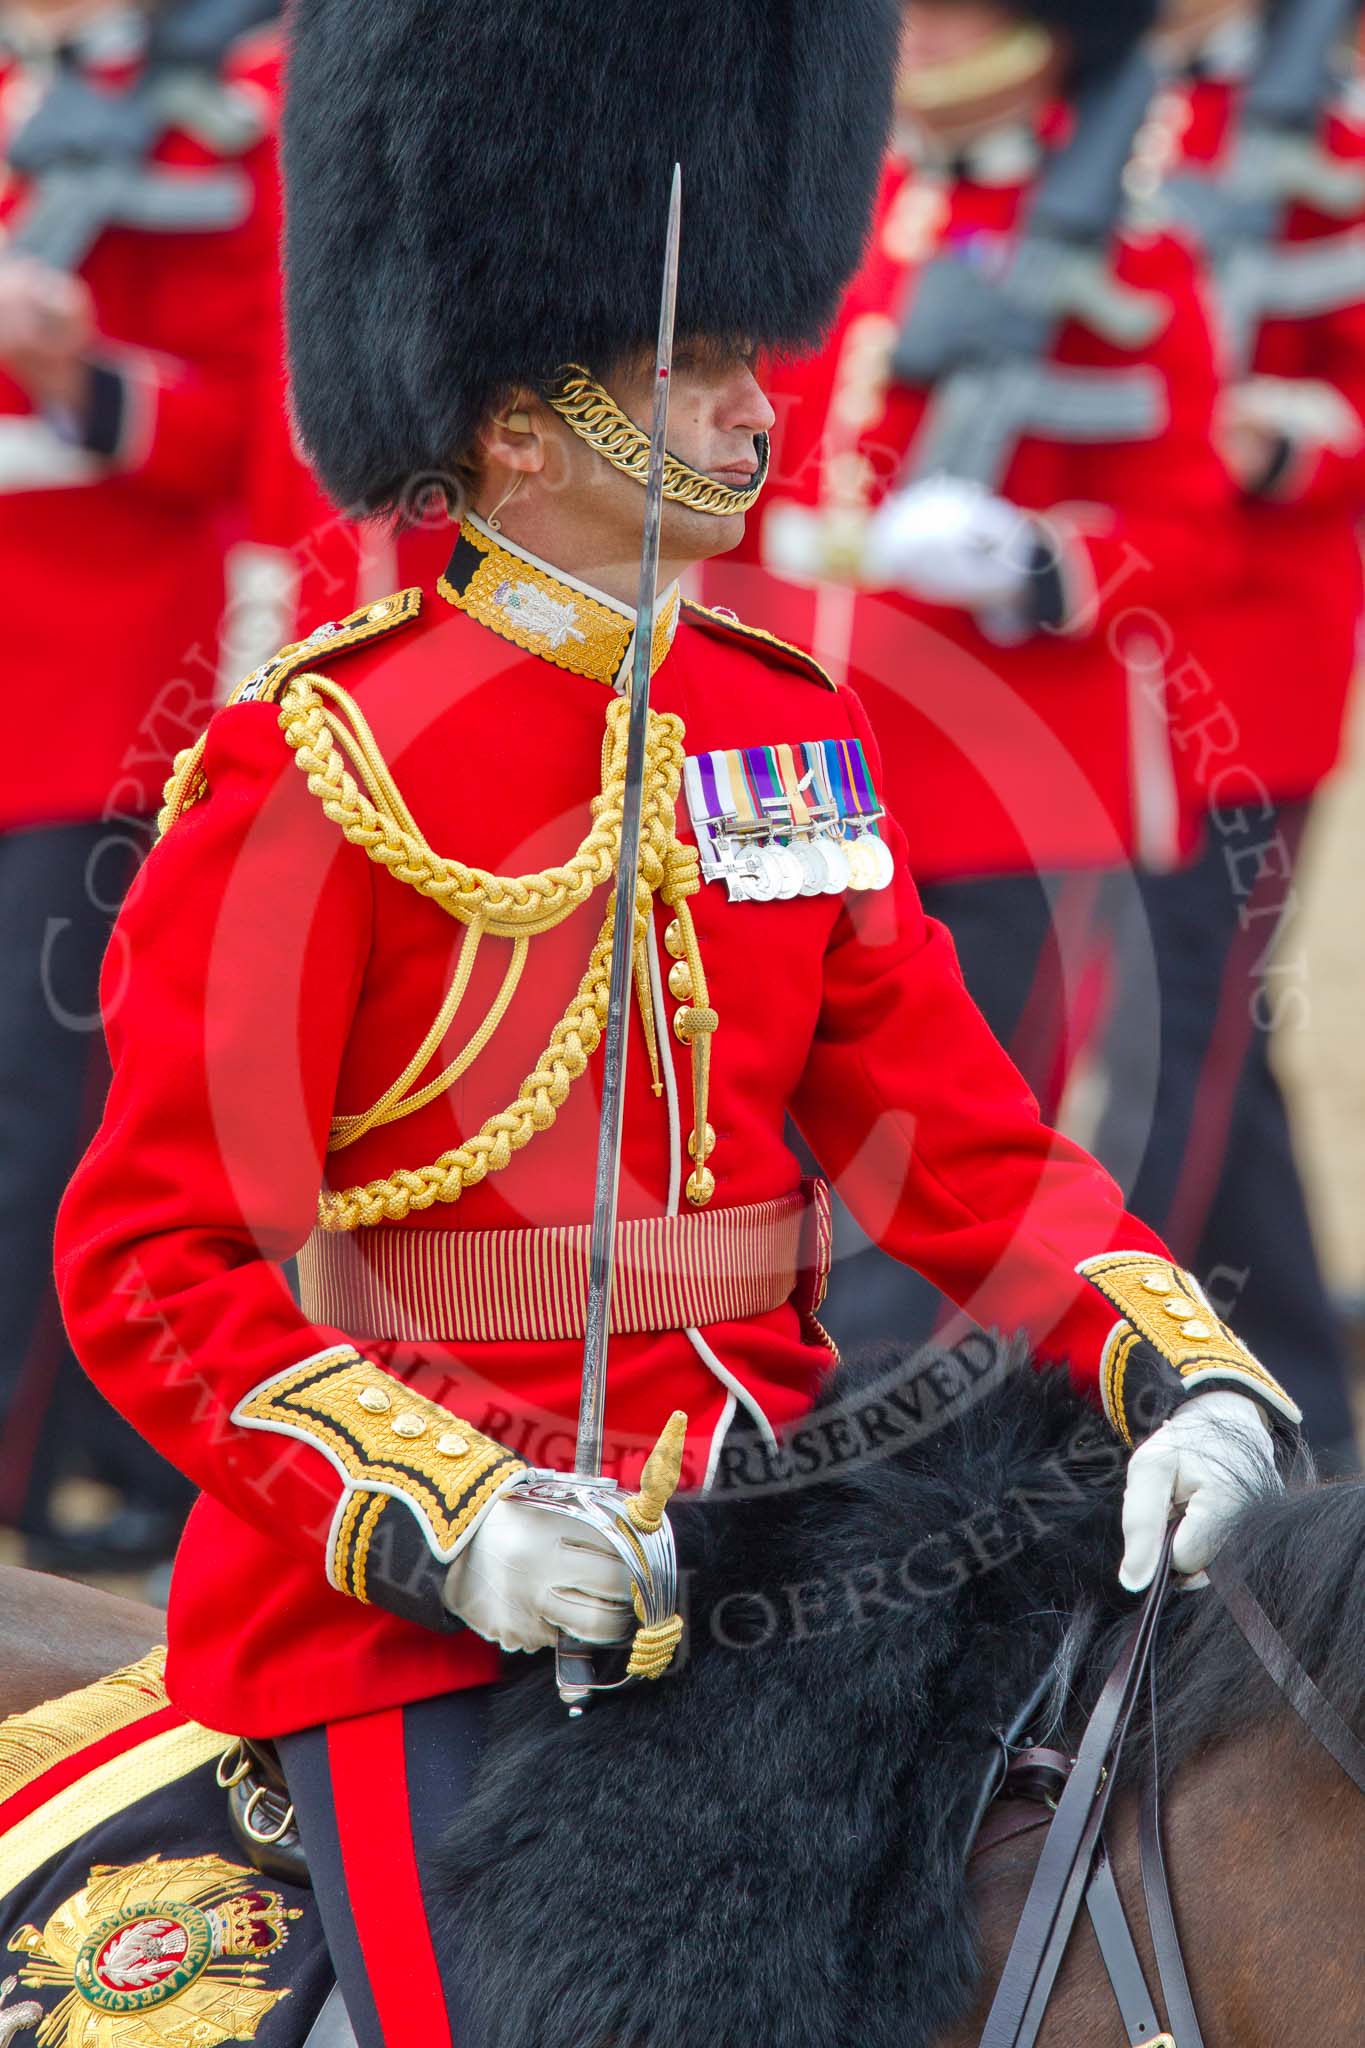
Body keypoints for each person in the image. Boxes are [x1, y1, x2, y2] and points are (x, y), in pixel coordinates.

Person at [55, 1, 1301, 2039]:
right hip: (407, 1607)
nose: (753, 415)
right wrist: (443, 1519)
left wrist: (1174, 1364)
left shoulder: (775, 730)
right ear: (518, 422)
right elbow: (150, 1262)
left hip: (756, 1541)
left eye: (741, 362)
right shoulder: (323, 767)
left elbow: (954, 1137)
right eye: (692, 368)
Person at [703, 0, 1239, 1351]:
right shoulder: (834, 232)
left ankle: (910, 1498)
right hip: (793, 770)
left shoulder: (1123, 253)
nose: (926, 41)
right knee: (769, 1135)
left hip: (998, 788)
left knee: (950, 1163)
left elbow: (1186, 522)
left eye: (962, 19)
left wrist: (1036, 560)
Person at [0, 0, 287, 1566]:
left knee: (42, 1101)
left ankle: (45, 1463)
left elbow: (258, 422)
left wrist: (79, 370)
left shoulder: (223, 106)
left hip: (109, 678)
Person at [1095, 0, 1365, 1471]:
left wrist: (1288, 434)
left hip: (1242, 668)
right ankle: (1296, 1410)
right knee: (1208, 1043)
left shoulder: (1319, 136)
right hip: (1093, 647)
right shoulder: (1087, 113)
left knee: (1184, 1023)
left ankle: (1172, 1378)